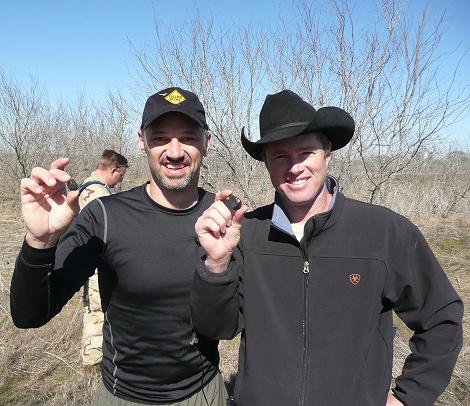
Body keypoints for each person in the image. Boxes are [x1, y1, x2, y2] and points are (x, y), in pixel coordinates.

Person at [191, 90, 463, 406]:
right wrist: (216, 263)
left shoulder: (384, 231)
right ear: (266, 163)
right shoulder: (247, 234)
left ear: (327, 153)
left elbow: (441, 318)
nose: (294, 167)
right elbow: (217, 328)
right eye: (280, 155)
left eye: (306, 152)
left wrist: (408, 397)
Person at [10, 87, 228, 405]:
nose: (175, 151)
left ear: (207, 143)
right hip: (126, 396)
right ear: (142, 141)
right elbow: (29, 315)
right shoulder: (105, 216)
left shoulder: (223, 217)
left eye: (188, 138)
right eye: (161, 138)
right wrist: (40, 242)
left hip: (205, 393)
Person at [79, 149, 128, 367]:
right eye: (120, 176)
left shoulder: (90, 186)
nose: (119, 181)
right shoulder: (96, 193)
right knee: (97, 313)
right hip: (97, 263)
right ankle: (93, 361)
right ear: (114, 169)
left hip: (93, 261)